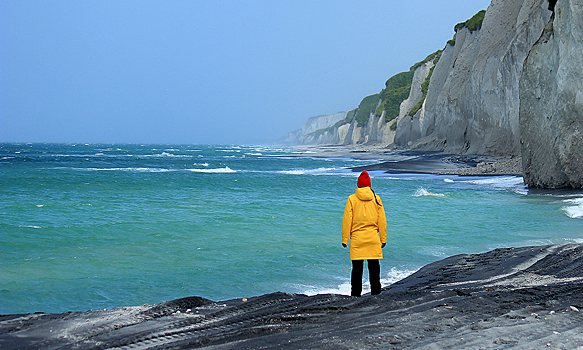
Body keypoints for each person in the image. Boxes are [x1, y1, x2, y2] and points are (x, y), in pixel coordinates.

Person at [342, 171, 387, 296]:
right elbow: (382, 220)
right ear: (369, 185)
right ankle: (376, 294)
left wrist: (345, 239)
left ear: (358, 185)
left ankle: (355, 296)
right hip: (373, 238)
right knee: (374, 269)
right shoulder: (376, 198)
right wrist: (383, 238)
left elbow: (347, 220)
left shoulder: (352, 199)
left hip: (357, 239)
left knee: (357, 270)